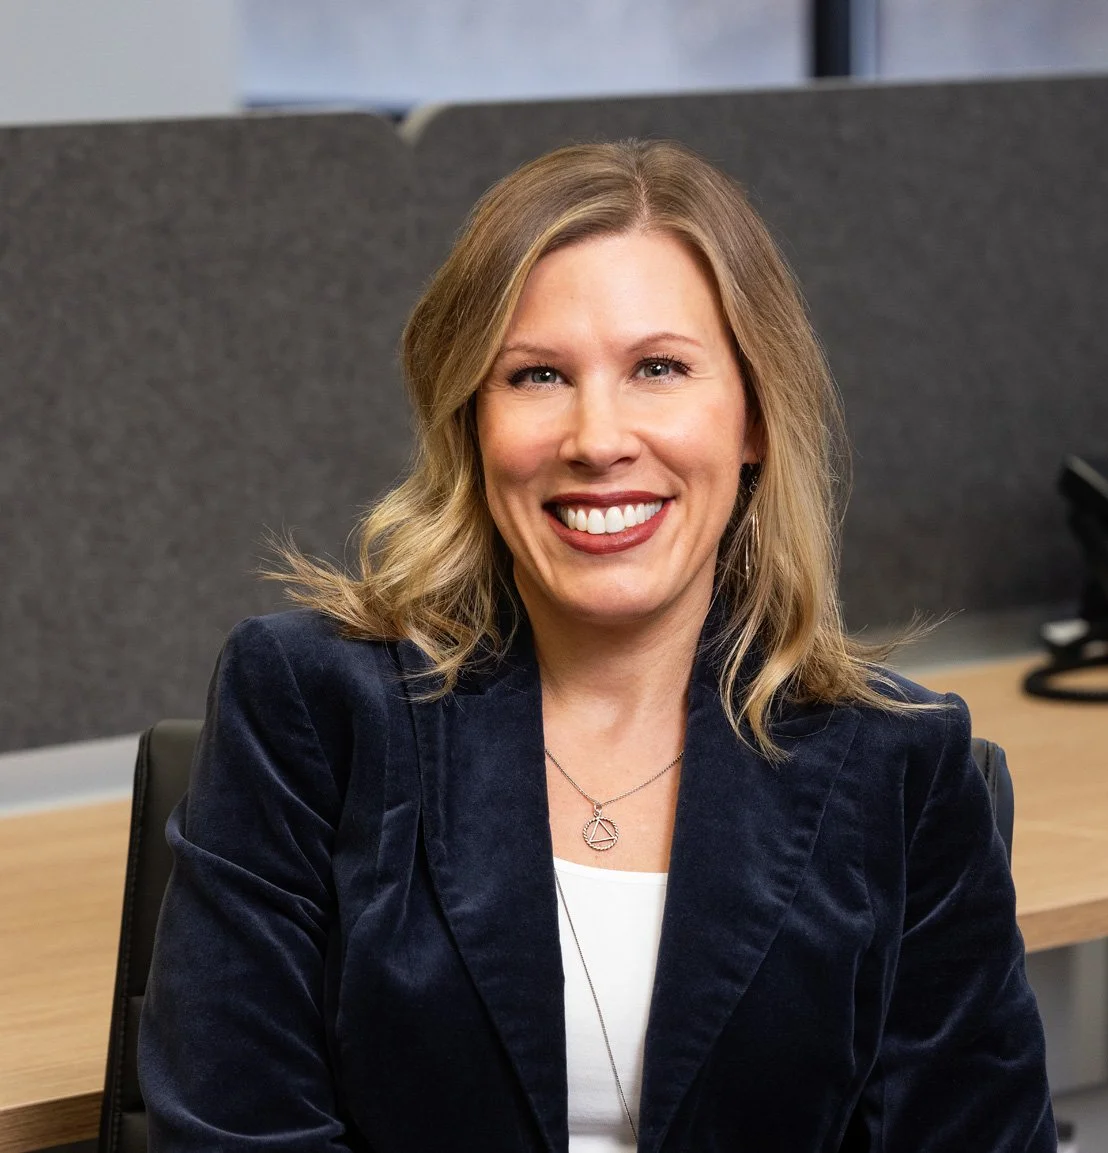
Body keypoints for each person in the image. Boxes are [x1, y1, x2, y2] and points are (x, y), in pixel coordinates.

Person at [138, 139, 1056, 1152]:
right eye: (535, 375)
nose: (596, 436)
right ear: (471, 420)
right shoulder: (310, 705)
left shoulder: (898, 762)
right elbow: (239, 1133)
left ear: (752, 413)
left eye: (658, 368)